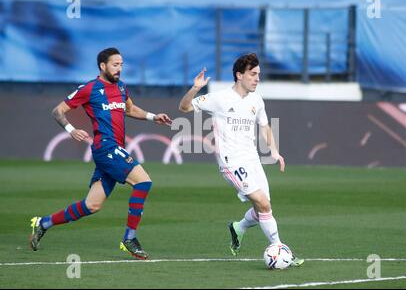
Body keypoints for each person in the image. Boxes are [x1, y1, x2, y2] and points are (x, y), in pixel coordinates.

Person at [29, 47, 172, 260]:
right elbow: (57, 111)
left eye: (122, 64)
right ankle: (129, 238)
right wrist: (71, 129)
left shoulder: (122, 87)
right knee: (143, 182)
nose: (119, 69)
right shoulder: (89, 88)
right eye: (115, 64)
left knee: (92, 205)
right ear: (102, 66)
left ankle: (44, 223)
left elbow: (130, 109)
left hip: (115, 148)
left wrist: (153, 116)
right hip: (106, 148)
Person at [178, 53, 303, 267]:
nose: (257, 79)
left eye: (259, 75)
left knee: (263, 207)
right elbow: (184, 108)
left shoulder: (257, 100)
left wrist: (274, 151)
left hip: (252, 159)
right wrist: (195, 88)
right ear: (239, 75)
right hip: (231, 162)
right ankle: (281, 250)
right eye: (253, 74)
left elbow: (264, 126)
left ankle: (239, 227)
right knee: (263, 203)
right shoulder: (220, 98)